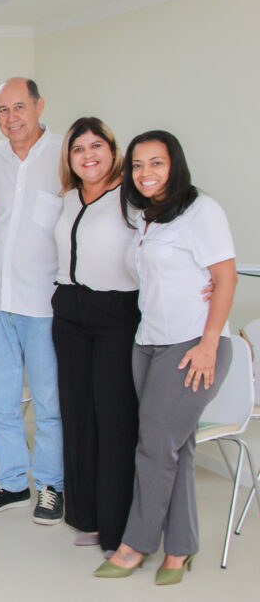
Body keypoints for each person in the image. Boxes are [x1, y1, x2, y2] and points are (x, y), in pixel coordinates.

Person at [95, 131, 237, 584]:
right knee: (176, 447)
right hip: (149, 343)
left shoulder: (202, 211)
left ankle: (136, 544)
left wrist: (209, 343)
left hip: (191, 345)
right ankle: (180, 548)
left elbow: (227, 278)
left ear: (175, 165)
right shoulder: (147, 217)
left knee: (155, 447)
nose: (146, 172)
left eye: (156, 162)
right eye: (137, 165)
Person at [0, 77, 65, 524]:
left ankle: (51, 486)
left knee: (49, 403)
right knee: (0, 400)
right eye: (3, 110)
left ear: (39, 106)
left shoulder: (64, 154)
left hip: (45, 302)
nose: (11, 117)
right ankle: (12, 484)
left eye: (19, 107)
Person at [51, 118, 139, 553]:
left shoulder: (131, 197)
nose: (88, 155)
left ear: (112, 149)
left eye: (96, 146)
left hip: (115, 314)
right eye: (78, 148)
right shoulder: (68, 198)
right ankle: (86, 517)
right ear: (69, 158)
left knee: (114, 419)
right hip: (69, 312)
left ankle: (117, 526)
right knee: (78, 416)